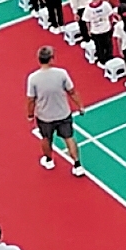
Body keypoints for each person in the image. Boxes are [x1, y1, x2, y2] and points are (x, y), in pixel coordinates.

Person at [26, 46, 85, 176]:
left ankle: (48, 159)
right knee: (69, 138)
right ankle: (77, 165)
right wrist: (80, 106)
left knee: (46, 138)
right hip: (63, 113)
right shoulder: (62, 73)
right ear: (51, 59)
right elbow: (72, 91)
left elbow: (31, 99)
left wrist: (30, 115)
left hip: (44, 117)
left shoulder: (33, 78)